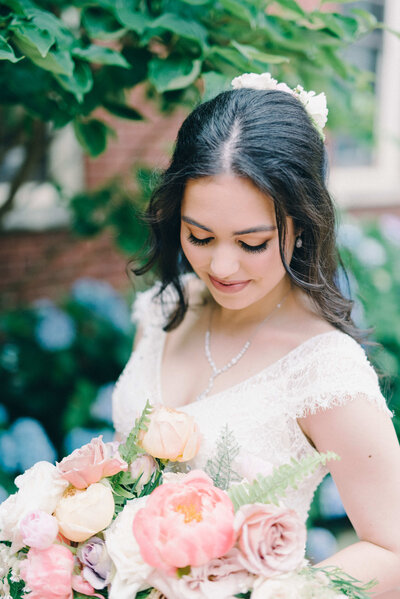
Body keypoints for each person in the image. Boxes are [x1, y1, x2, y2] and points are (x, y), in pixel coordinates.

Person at [112, 72, 400, 595]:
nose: (221, 266)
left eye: (252, 243)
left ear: (302, 223)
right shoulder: (163, 311)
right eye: (199, 235)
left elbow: (394, 549)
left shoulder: (323, 367)